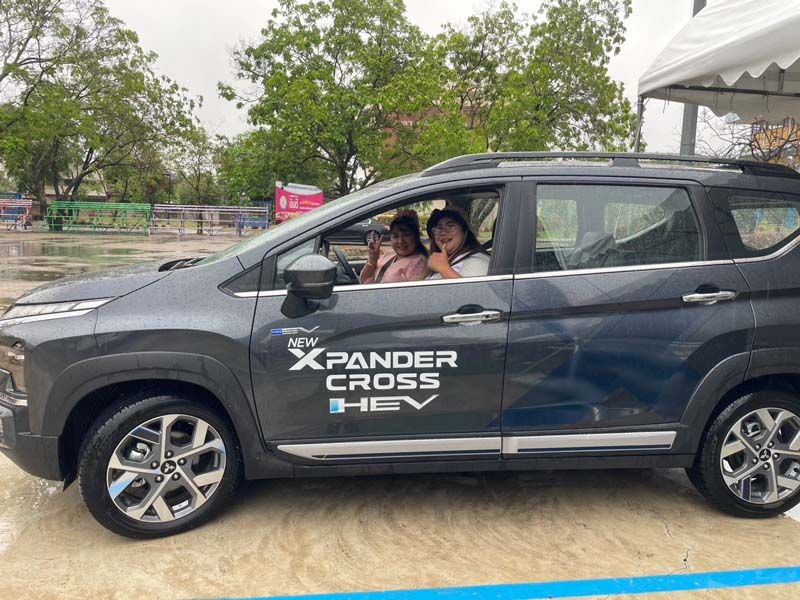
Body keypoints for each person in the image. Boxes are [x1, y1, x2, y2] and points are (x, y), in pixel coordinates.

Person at [360, 210, 428, 284]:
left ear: (416, 237)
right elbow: (365, 282)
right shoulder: (389, 254)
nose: (400, 241)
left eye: (406, 235)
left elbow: (414, 290)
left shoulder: (419, 263)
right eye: (395, 236)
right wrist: (372, 261)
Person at [426, 206, 490, 279]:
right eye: (439, 228)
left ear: (465, 232)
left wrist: (443, 268)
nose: (443, 232)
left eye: (451, 226)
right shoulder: (441, 261)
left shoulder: (477, 262)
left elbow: (472, 287)